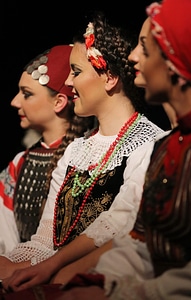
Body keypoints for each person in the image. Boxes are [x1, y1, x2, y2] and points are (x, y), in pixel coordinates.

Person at [43, 0, 191, 298]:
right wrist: (99, 280)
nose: (133, 57)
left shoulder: (151, 144)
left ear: (175, 57)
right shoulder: (166, 148)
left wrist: (118, 292)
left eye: (144, 47)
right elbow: (138, 243)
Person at [0, 11, 165, 290]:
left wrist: (51, 271)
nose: (69, 83)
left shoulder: (149, 144)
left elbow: (121, 230)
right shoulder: (76, 150)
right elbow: (45, 241)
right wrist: (15, 264)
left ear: (109, 77)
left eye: (76, 72)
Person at [0, 44, 95, 254]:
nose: (15, 102)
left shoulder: (89, 159)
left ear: (59, 102)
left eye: (27, 94)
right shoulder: (19, 164)